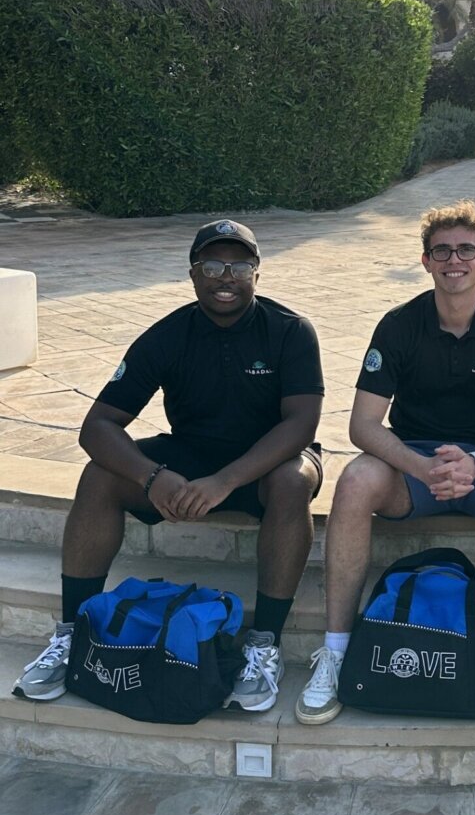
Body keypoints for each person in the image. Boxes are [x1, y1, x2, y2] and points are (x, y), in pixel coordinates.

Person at [14, 219, 324, 713]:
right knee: (100, 475)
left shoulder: (290, 331)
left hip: (268, 459)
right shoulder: (167, 335)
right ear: (193, 273)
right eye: (213, 265)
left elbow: (301, 425)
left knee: (292, 481)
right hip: (190, 457)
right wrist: (151, 477)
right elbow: (97, 427)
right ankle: (72, 632)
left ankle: (264, 643)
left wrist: (225, 481)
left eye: (239, 265)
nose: (226, 276)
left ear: (257, 274)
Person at [295, 199, 475, 729]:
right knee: (355, 479)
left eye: (466, 250)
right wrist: (421, 468)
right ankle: (335, 653)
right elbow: (364, 426)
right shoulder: (399, 325)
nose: (454, 261)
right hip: (415, 466)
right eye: (441, 251)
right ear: (425, 261)